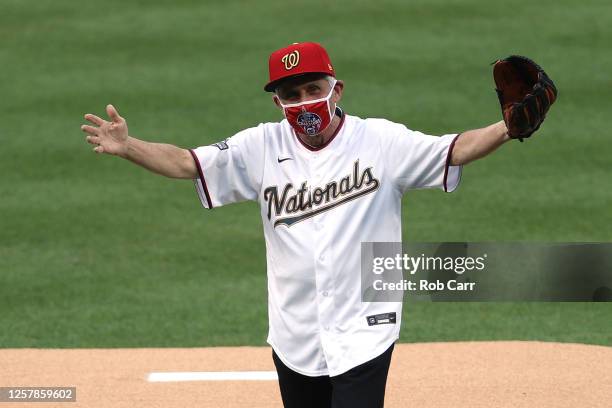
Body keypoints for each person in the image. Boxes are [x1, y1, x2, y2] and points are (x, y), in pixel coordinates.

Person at [81, 42, 514, 408]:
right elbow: (185, 162)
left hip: (364, 328)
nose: (304, 101)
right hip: (295, 334)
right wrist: (128, 146)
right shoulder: (260, 146)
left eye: (313, 88)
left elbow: (454, 149)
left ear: (337, 90)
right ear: (277, 102)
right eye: (291, 94)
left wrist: (507, 128)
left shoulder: (381, 140)